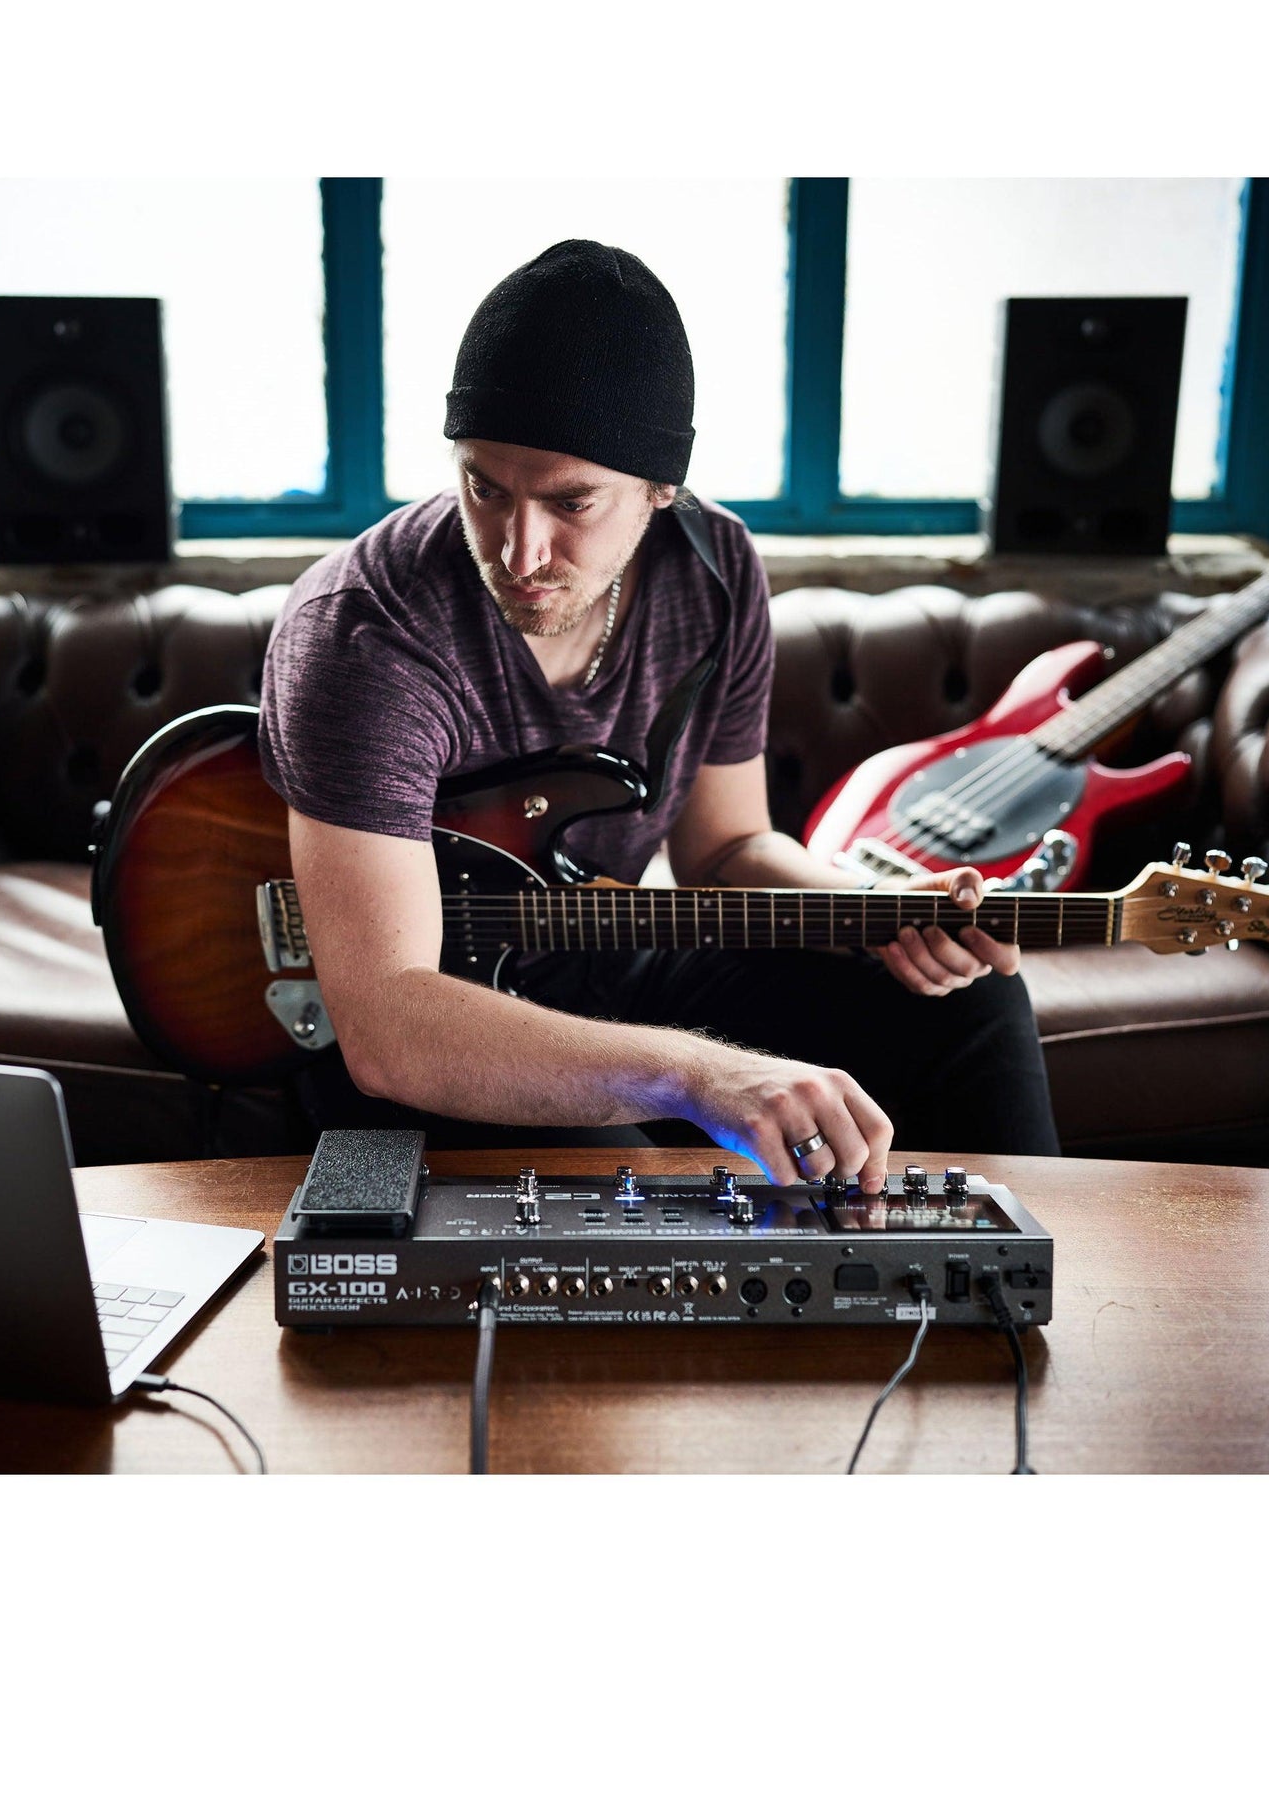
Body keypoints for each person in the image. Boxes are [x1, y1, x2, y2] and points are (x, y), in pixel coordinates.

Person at [258, 239, 1060, 1186]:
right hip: (436, 1012)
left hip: (598, 959)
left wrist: (873, 910)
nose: (519, 551)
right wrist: (701, 1076)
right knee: (640, 1181)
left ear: (660, 488)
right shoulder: (362, 632)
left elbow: (726, 848)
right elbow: (391, 1029)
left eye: (571, 503)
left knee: (970, 999)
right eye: (485, 487)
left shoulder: (714, 570)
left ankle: (1018, 1259)